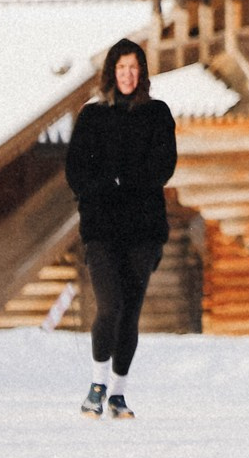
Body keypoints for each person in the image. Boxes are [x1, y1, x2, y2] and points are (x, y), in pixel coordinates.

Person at [64, 39, 177, 419]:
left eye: (134, 68)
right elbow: (77, 171)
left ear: (142, 73)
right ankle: (97, 384)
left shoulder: (157, 114)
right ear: (111, 72)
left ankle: (118, 393)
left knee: (130, 311)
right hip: (101, 230)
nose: (127, 74)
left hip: (143, 230)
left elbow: (162, 167)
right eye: (121, 67)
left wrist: (121, 181)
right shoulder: (92, 116)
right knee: (109, 305)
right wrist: (107, 186)